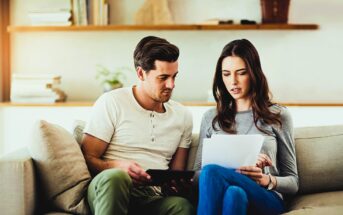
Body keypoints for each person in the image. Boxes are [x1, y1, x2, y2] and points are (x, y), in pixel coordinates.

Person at [81, 36, 194, 215]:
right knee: (116, 178)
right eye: (163, 77)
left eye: (174, 76)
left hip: (152, 196)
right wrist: (114, 167)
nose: (171, 85)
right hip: (112, 188)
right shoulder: (112, 102)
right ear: (141, 73)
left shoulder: (183, 115)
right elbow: (87, 156)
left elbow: (177, 172)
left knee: (182, 206)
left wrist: (177, 185)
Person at [193, 39, 298, 215]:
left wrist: (265, 179)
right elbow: (197, 177)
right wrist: (242, 163)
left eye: (241, 73)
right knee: (234, 194)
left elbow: (293, 182)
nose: (233, 81)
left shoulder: (278, 115)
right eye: (226, 74)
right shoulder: (211, 117)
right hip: (232, 194)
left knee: (212, 171)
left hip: (266, 197)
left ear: (253, 73)